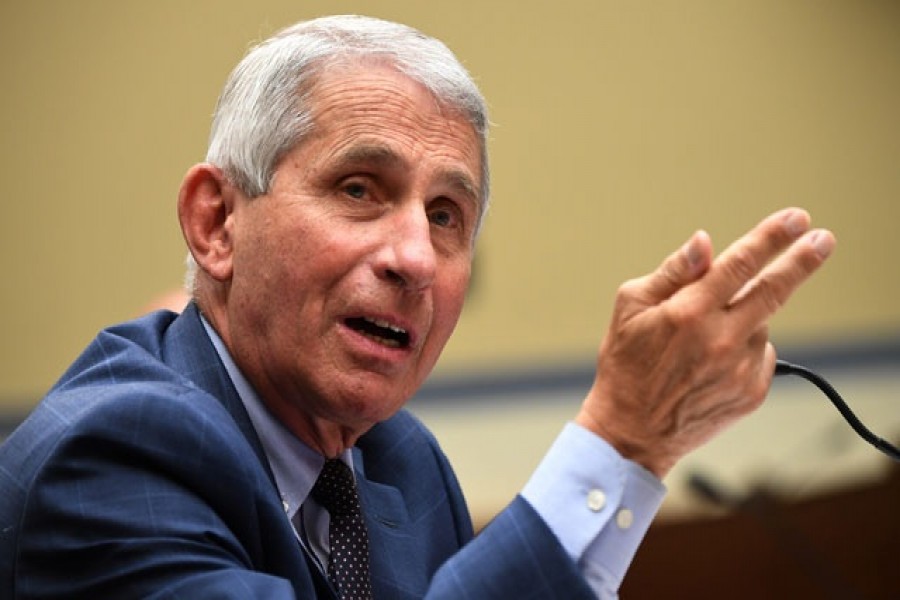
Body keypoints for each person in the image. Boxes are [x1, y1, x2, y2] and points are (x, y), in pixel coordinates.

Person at [0, 14, 835, 600]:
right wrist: (620, 441)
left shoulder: (398, 464)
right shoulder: (111, 460)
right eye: (359, 189)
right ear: (217, 223)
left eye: (445, 216)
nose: (413, 259)